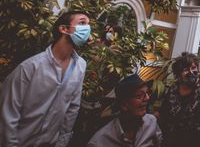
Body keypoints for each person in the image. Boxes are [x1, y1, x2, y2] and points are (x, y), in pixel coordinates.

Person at [0, 10, 90, 147]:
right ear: (64, 29)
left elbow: (72, 108)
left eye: (88, 25)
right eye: (82, 23)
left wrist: (61, 143)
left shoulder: (80, 66)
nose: (87, 29)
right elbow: (8, 114)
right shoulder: (30, 67)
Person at [88, 74, 161, 146]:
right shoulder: (99, 142)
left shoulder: (151, 122)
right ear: (124, 104)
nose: (147, 98)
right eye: (140, 95)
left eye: (147, 93)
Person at [158, 52, 200, 147]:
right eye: (186, 69)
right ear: (178, 74)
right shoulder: (172, 91)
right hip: (171, 141)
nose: (191, 72)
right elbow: (163, 114)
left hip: (194, 142)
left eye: (194, 68)